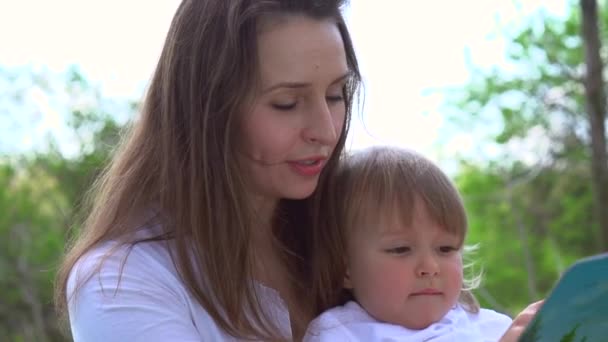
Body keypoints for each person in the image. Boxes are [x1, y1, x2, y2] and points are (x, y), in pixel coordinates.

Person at [54, 0, 362, 341]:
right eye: (286, 103)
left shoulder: (360, 229)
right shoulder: (124, 279)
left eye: (336, 95)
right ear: (207, 108)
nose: (327, 130)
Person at [304, 146, 543, 341]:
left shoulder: (491, 326)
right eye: (400, 249)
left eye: (446, 249)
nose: (430, 266)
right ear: (345, 267)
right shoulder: (340, 334)